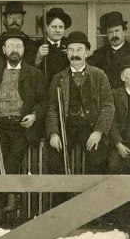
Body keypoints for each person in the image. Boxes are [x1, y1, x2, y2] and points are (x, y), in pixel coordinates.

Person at [0, 28, 46, 223]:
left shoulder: (34, 73)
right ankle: (7, 203)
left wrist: (34, 115)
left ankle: (5, 205)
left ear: (23, 50)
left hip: (22, 127)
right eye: (10, 46)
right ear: (3, 49)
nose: (14, 50)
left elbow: (43, 100)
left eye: (18, 46)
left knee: (10, 161)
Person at [45, 31, 115, 181]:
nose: (74, 54)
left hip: (90, 127)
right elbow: (52, 108)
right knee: (56, 160)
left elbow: (108, 106)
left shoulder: (99, 75)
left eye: (79, 49)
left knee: (97, 160)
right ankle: (63, 202)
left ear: (87, 52)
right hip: (66, 128)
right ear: (66, 53)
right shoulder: (58, 78)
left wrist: (98, 132)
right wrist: (53, 133)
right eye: (71, 50)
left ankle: (91, 202)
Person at [86, 11, 130, 89]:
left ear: (124, 32)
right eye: (110, 32)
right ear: (107, 35)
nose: (114, 35)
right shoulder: (99, 53)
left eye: (117, 31)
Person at [0, 1, 39, 68]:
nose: (14, 21)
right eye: (10, 17)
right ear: (4, 21)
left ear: (23, 20)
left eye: (18, 17)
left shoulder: (33, 46)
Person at [34, 7, 71, 91]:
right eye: (54, 27)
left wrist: (72, 57)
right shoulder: (36, 46)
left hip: (66, 91)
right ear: (46, 28)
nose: (58, 30)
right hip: (44, 91)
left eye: (61, 27)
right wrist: (38, 58)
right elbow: (30, 72)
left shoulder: (70, 45)